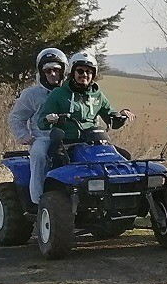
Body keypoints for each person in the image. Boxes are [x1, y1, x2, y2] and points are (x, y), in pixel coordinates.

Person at [36, 52, 132, 187]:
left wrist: (122, 116)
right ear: (72, 72)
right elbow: (41, 123)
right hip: (67, 142)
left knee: (124, 156)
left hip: (94, 143)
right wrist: (50, 119)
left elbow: (112, 121)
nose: (84, 75)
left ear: (93, 74)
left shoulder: (98, 96)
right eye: (80, 71)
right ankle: (54, 194)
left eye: (88, 72)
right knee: (58, 159)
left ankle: (117, 191)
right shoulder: (59, 94)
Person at [12, 48, 69, 203]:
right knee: (38, 155)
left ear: (63, 71)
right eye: (48, 70)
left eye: (56, 70)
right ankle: (38, 201)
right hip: (43, 137)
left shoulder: (70, 92)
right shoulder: (32, 94)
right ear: (41, 72)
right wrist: (23, 135)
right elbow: (16, 116)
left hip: (70, 137)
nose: (52, 74)